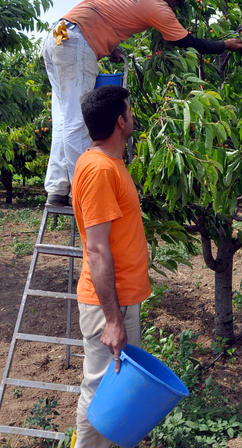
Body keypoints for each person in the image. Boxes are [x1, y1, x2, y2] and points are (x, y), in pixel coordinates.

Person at [43, 0, 242, 206]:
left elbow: (106, 10)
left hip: (58, 35)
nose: (179, 0)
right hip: (76, 45)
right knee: (77, 122)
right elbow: (186, 42)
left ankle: (57, 188)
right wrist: (225, 45)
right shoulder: (155, 6)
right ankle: (83, 194)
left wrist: (111, 44)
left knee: (64, 119)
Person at [71, 85, 150, 448]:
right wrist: (114, 319)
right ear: (121, 122)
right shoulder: (101, 170)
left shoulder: (109, 163)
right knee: (101, 388)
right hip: (109, 304)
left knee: (115, 390)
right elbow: (99, 250)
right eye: (129, 112)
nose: (132, 116)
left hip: (119, 298)